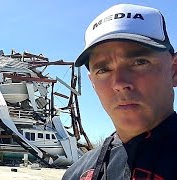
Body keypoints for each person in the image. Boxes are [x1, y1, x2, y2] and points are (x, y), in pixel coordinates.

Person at [62, 4, 177, 180]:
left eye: (139, 62)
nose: (120, 83)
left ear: (174, 70)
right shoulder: (77, 174)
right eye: (103, 70)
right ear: (92, 83)